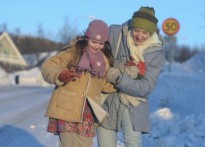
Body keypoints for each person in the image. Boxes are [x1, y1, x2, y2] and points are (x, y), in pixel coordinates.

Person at [97, 6, 165, 147]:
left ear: (151, 33)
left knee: (133, 143)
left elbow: (146, 87)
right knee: (104, 144)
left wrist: (118, 77)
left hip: (134, 104)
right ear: (131, 26)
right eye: (137, 30)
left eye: (145, 33)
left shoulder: (156, 52)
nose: (139, 36)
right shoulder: (116, 33)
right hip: (107, 98)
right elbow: (95, 45)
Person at [41, 19, 116, 147]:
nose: (97, 46)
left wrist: (121, 80)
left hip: (88, 112)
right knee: (68, 144)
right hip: (67, 107)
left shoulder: (104, 61)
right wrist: (60, 74)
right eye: (94, 41)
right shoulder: (73, 52)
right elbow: (48, 67)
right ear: (87, 37)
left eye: (101, 43)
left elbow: (104, 84)